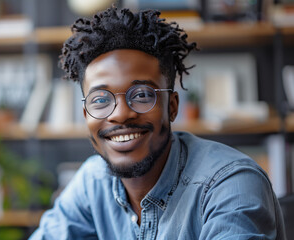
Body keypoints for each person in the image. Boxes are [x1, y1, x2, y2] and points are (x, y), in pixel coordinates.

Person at [30, 6, 286, 240]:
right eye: (100, 100)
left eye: (141, 95)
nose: (120, 114)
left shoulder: (229, 184)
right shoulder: (93, 181)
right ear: (86, 115)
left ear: (172, 107)